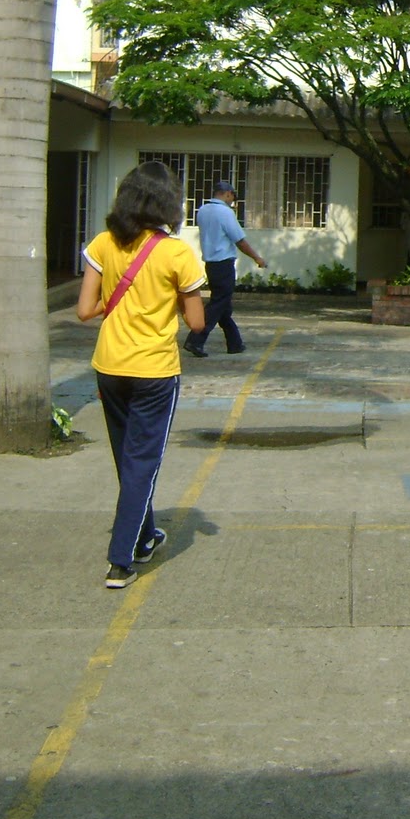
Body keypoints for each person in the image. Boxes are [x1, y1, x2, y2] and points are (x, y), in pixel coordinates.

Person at [77, 163, 207, 589]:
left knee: (127, 460)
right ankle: (121, 560)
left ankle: (147, 535)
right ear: (170, 203)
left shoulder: (103, 244)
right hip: (154, 370)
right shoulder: (177, 253)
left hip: (109, 366)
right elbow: (198, 322)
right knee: (143, 463)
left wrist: (120, 305)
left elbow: (84, 311)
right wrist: (166, 302)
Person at [183, 179, 266, 358]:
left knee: (223, 307)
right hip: (224, 263)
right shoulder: (225, 212)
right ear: (227, 193)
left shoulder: (203, 210)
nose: (232, 200)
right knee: (218, 304)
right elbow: (240, 240)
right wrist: (257, 257)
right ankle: (195, 340)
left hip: (211, 264)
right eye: (232, 196)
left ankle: (235, 343)